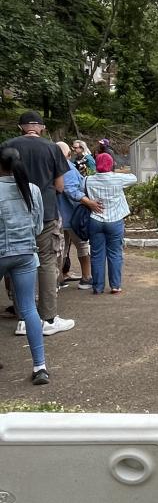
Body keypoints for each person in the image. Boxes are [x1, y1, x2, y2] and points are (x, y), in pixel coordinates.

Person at [3, 111, 73, 336]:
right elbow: (60, 186)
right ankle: (49, 318)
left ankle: (23, 318)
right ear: (41, 127)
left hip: (13, 215)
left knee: (17, 264)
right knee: (46, 263)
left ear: (20, 127)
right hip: (46, 213)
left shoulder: (7, 145)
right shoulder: (52, 148)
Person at [0, 147, 49, 383]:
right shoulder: (33, 190)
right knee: (29, 309)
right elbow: (38, 226)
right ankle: (40, 367)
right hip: (25, 253)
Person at [85, 152, 137, 294]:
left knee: (96, 254)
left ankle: (98, 287)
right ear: (111, 164)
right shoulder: (118, 179)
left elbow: (78, 190)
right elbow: (134, 178)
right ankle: (115, 285)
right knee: (115, 253)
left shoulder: (88, 180)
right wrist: (117, 171)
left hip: (95, 220)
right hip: (115, 220)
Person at [56, 140, 98, 289]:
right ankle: (86, 278)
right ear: (67, 154)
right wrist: (89, 202)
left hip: (57, 215)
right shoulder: (66, 167)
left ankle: (58, 278)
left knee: (61, 248)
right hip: (71, 214)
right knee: (82, 245)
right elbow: (71, 190)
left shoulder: (51, 166)